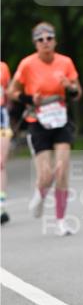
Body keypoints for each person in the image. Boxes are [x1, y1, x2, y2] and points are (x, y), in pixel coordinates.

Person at [8, 22, 82, 236]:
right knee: (46, 174)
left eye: (49, 38)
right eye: (40, 39)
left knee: (62, 170)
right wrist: (30, 98)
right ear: (35, 43)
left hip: (60, 120)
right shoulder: (27, 64)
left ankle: (61, 220)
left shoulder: (65, 62)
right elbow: (12, 92)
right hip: (37, 122)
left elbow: (78, 94)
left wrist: (69, 87)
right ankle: (39, 195)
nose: (45, 42)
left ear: (55, 40)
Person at [1, 59, 12, 225]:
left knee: (0, 162)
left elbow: (9, 93)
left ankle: (1, 205)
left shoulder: (3, 68)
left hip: (1, 118)